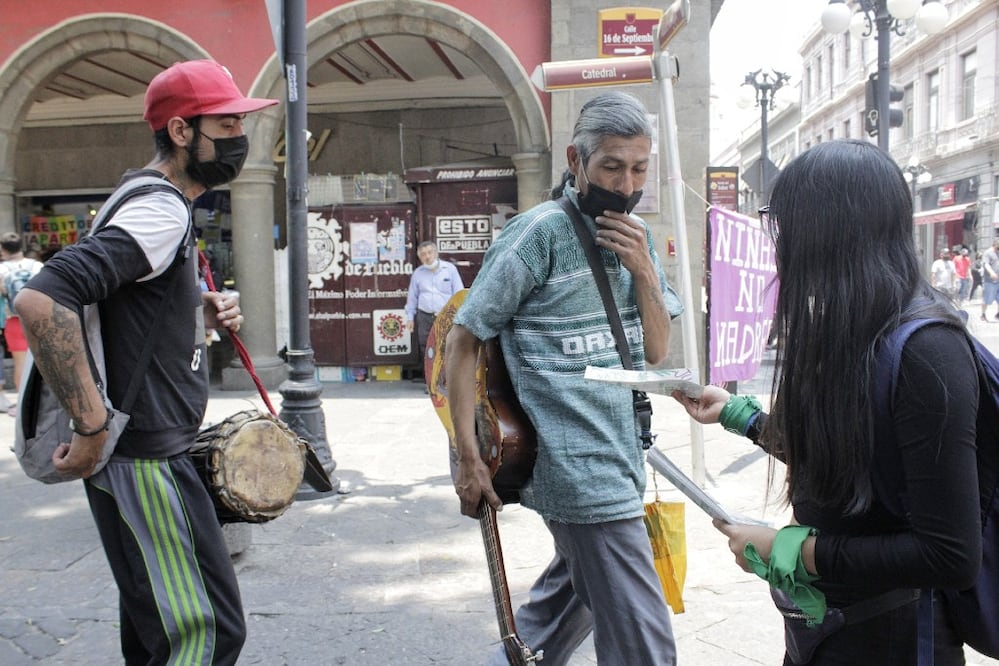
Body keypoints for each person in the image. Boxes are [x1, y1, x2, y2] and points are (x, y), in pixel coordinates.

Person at [673, 139, 980, 665]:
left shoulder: (929, 351)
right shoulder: (848, 324)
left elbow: (948, 554)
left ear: (831, 232)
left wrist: (793, 551)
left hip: (895, 639)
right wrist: (737, 414)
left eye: (787, 223)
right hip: (826, 629)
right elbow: (847, 460)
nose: (781, 243)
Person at [14, 59, 276, 665]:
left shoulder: (141, 198)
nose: (240, 138)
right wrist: (91, 425)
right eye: (228, 124)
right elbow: (43, 298)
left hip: (146, 451)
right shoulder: (161, 209)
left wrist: (193, 311)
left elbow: (122, 303)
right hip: (147, 456)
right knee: (203, 634)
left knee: (156, 626)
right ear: (182, 132)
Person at [445, 91, 683, 666]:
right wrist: (468, 454)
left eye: (639, 168)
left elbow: (654, 351)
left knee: (555, 617)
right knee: (645, 647)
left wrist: (646, 273)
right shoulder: (539, 236)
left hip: (623, 452)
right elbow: (463, 337)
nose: (626, 183)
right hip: (575, 467)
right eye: (611, 166)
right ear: (576, 161)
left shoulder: (638, 237)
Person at [403, 240, 463, 387]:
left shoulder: (449, 270)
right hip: (425, 316)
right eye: (423, 254)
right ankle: (432, 384)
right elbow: (412, 298)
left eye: (429, 253)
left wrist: (460, 316)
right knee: (427, 349)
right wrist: (410, 317)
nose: (427, 256)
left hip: (446, 316)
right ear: (419, 257)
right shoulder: (418, 274)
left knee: (448, 347)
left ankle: (449, 382)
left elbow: (459, 293)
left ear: (436, 253)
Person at [0, 231, 44, 397]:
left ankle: (22, 403)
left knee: (20, 363)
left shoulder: (2, 269)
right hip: (37, 318)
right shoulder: (36, 266)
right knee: (42, 361)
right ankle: (40, 400)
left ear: (3, 250)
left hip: (14, 320)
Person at [981, 238, 999, 321]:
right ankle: (983, 314)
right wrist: (991, 273)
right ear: (995, 244)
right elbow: (986, 264)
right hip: (990, 280)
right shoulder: (988, 253)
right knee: (987, 299)